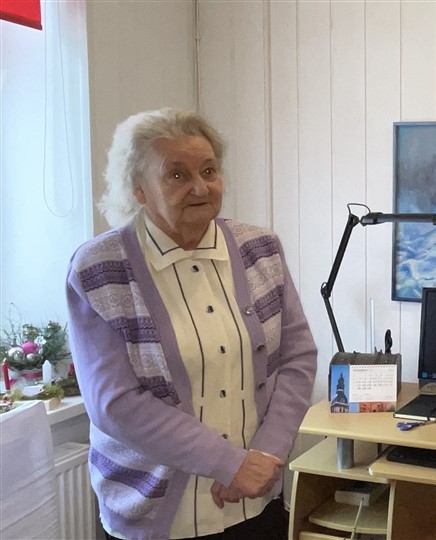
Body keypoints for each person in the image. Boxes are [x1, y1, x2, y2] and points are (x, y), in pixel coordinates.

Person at [66, 109, 318, 540]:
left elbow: (297, 356)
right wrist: (229, 464)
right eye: (177, 175)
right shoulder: (99, 267)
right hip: (154, 512)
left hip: (254, 503)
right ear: (138, 189)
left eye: (208, 170)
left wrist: (264, 457)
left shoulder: (260, 247)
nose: (200, 187)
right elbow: (114, 402)